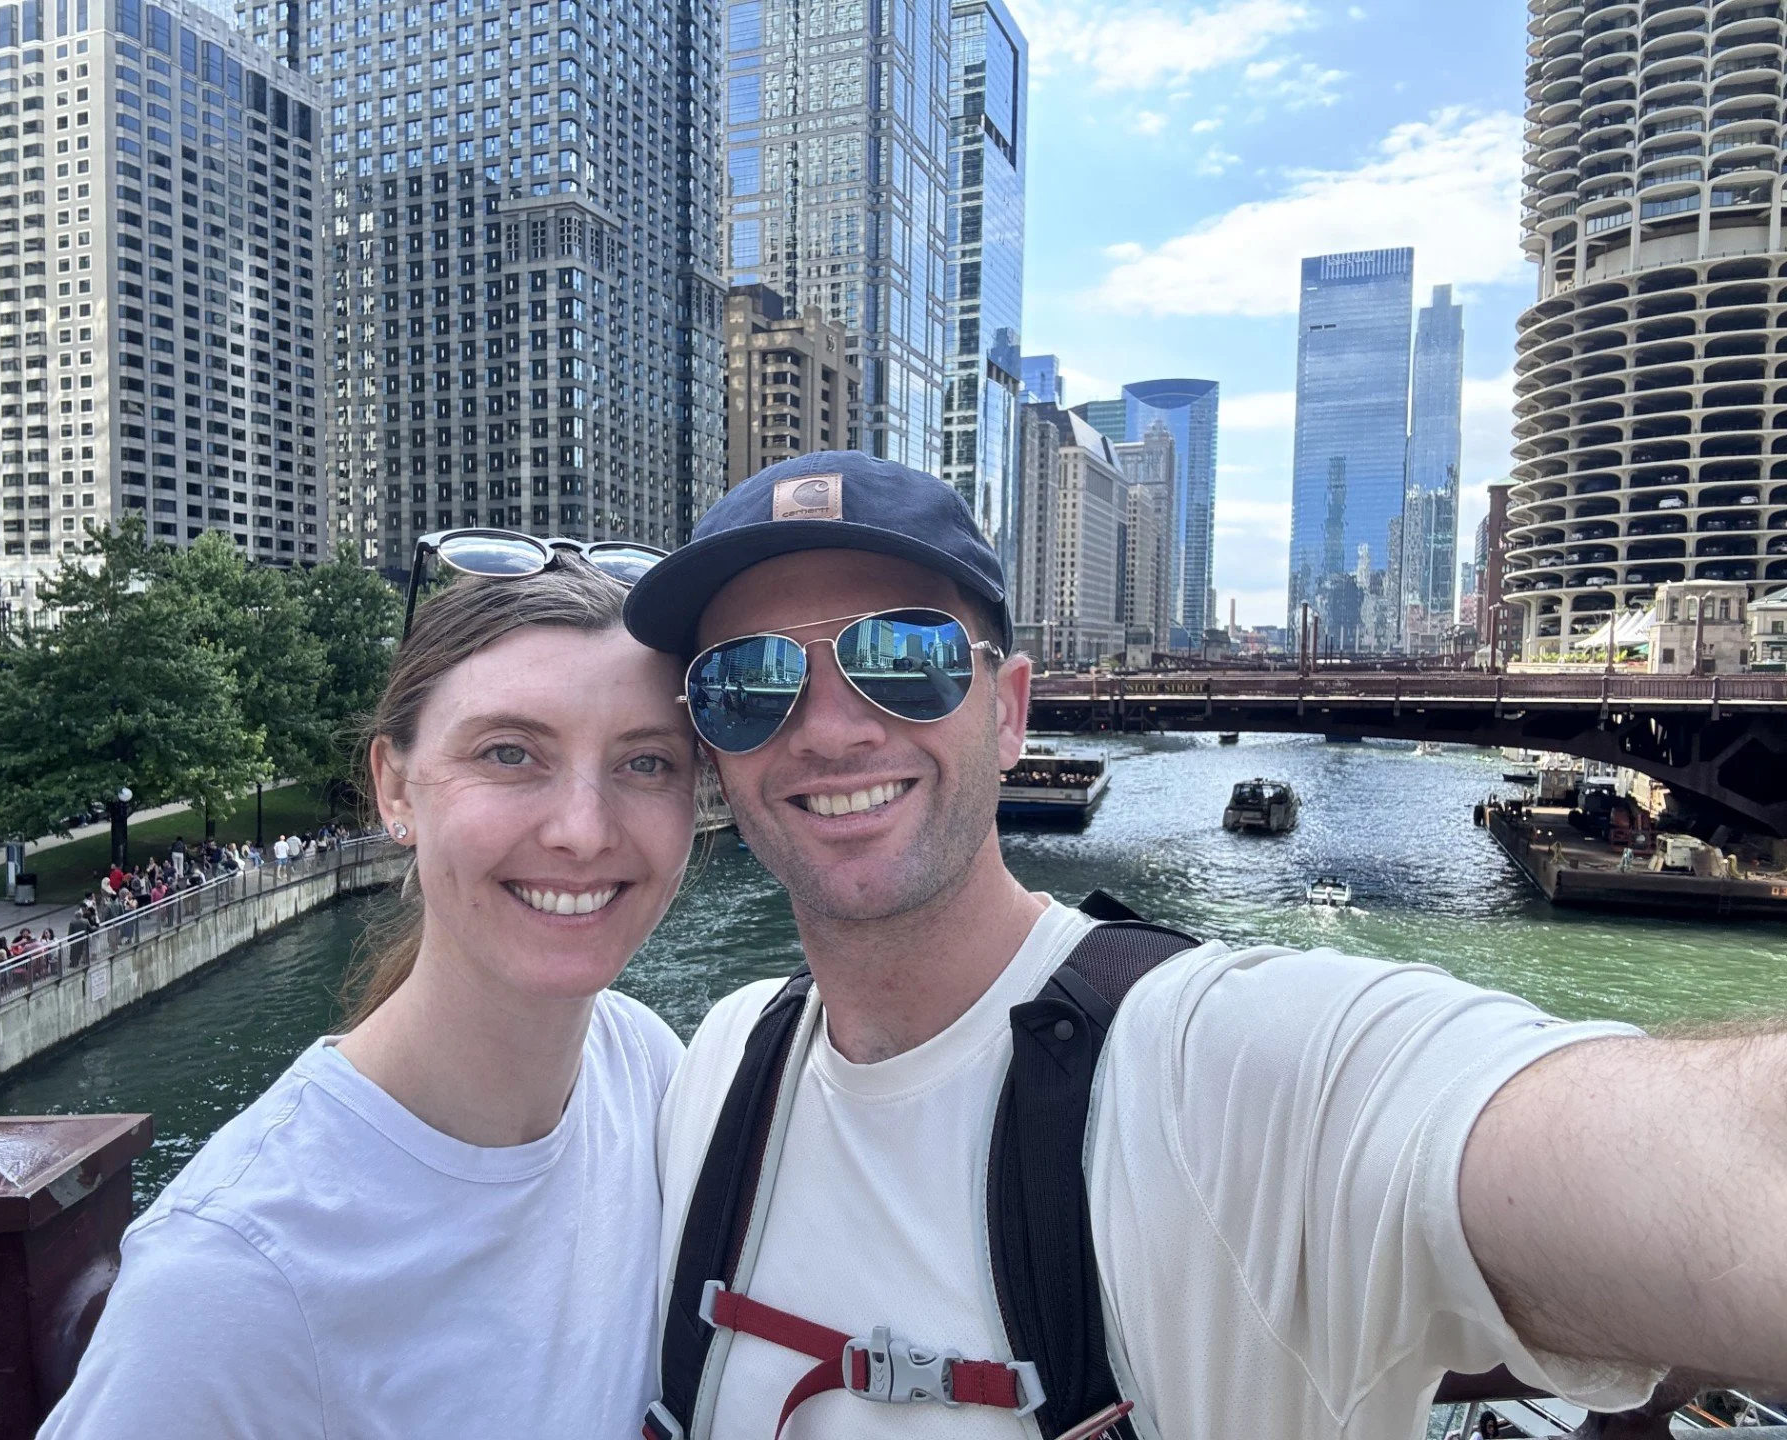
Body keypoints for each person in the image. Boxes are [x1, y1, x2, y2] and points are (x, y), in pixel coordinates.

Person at [621, 453, 1787, 1440]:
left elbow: (1711, 1164)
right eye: (746, 681)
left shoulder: (1218, 1074)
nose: (828, 728)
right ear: (712, 743)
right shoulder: (717, 1066)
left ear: (1010, 710)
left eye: (904, 657)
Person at [43, 555, 699, 1439]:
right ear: (394, 788)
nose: (583, 831)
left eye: (647, 762)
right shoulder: (229, 1280)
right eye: (509, 754)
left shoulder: (644, 1066)